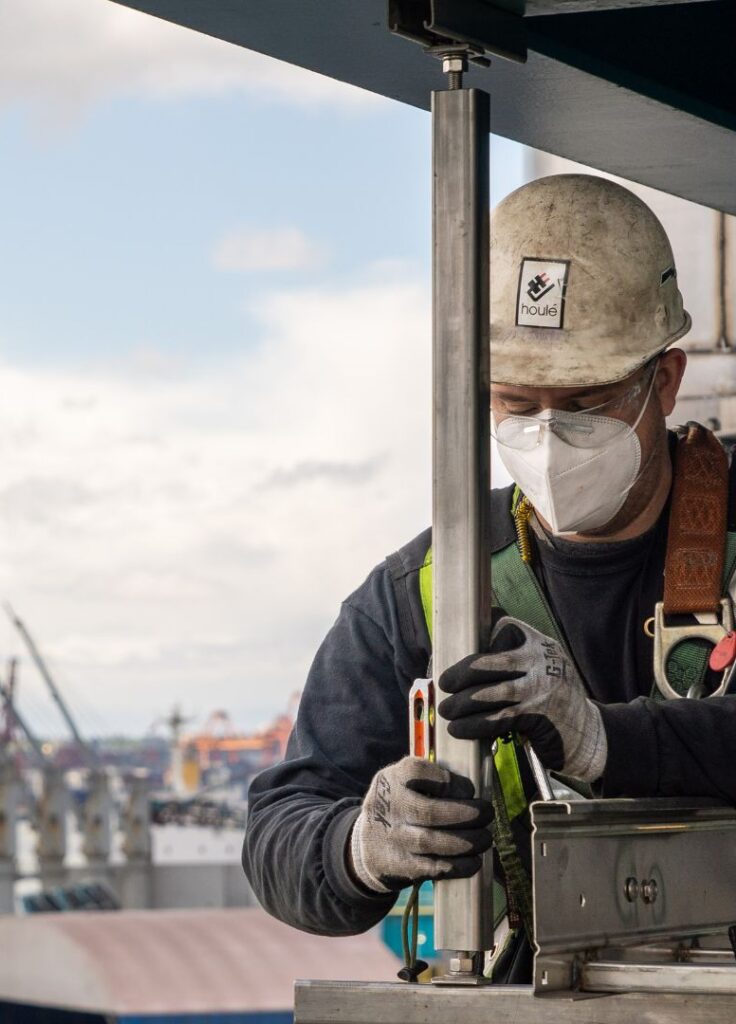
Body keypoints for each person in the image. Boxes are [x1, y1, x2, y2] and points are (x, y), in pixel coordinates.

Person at [242, 174, 736, 974]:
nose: (548, 435)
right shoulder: (426, 591)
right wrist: (360, 845)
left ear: (666, 381)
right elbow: (278, 830)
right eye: (515, 402)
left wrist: (600, 737)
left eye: (585, 401)